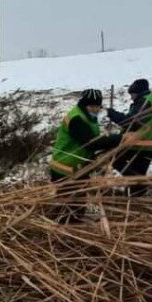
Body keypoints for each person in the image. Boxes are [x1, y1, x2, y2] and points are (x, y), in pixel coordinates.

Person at [49, 89, 112, 221]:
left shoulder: (88, 117)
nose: (95, 109)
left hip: (78, 167)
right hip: (65, 168)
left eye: (98, 106)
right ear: (85, 104)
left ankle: (65, 222)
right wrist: (116, 139)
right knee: (70, 203)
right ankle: (64, 229)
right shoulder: (77, 119)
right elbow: (89, 142)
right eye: (92, 106)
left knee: (76, 201)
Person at [101, 78, 152, 195]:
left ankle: (138, 185)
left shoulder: (143, 102)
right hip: (151, 145)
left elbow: (131, 123)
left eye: (132, 94)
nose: (131, 97)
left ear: (138, 92)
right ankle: (135, 199)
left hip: (143, 145)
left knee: (115, 158)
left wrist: (113, 115)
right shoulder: (150, 100)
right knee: (137, 171)